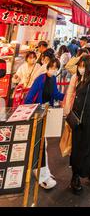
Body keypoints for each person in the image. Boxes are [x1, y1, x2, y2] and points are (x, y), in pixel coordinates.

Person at [64, 55, 90, 194]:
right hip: (78, 116)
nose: (81, 68)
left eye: (83, 65)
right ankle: (75, 176)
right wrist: (67, 113)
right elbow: (69, 94)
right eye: (79, 66)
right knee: (78, 146)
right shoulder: (75, 77)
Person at [25, 58, 64, 189]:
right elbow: (29, 97)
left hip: (47, 113)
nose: (53, 69)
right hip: (37, 114)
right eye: (52, 67)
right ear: (48, 66)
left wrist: (69, 96)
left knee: (43, 144)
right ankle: (42, 175)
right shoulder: (40, 79)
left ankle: (43, 172)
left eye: (56, 68)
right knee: (40, 144)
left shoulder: (53, 79)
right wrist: (33, 112)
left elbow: (55, 94)